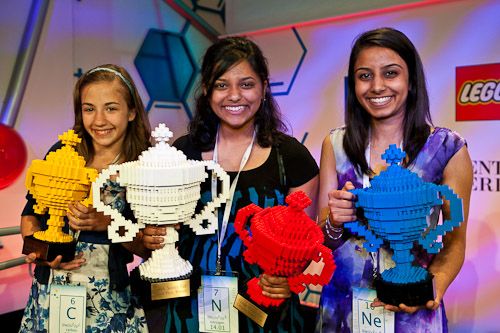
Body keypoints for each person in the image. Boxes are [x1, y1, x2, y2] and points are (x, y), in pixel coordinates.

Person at [140, 36, 319, 332]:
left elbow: (303, 247)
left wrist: (288, 276)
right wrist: (153, 236)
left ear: (263, 88)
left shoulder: (291, 157)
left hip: (265, 311)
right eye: (222, 85)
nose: (234, 95)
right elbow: (162, 228)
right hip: (189, 308)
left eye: (246, 84)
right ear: (208, 91)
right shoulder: (182, 153)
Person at [316, 27, 473, 332]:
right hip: (342, 307)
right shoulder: (335, 144)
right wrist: (335, 221)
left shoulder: (447, 148)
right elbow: (322, 240)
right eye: (364, 76)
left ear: (411, 80)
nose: (377, 86)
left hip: (411, 311)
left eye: (390, 73)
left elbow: (455, 241)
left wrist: (431, 288)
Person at [19, 64, 151, 332]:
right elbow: (31, 213)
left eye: (111, 108)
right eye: (89, 108)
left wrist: (109, 223)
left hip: (108, 302)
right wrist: (41, 253)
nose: (99, 120)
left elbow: (149, 247)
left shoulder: (145, 164)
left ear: (132, 112)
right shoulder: (64, 150)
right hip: (51, 292)